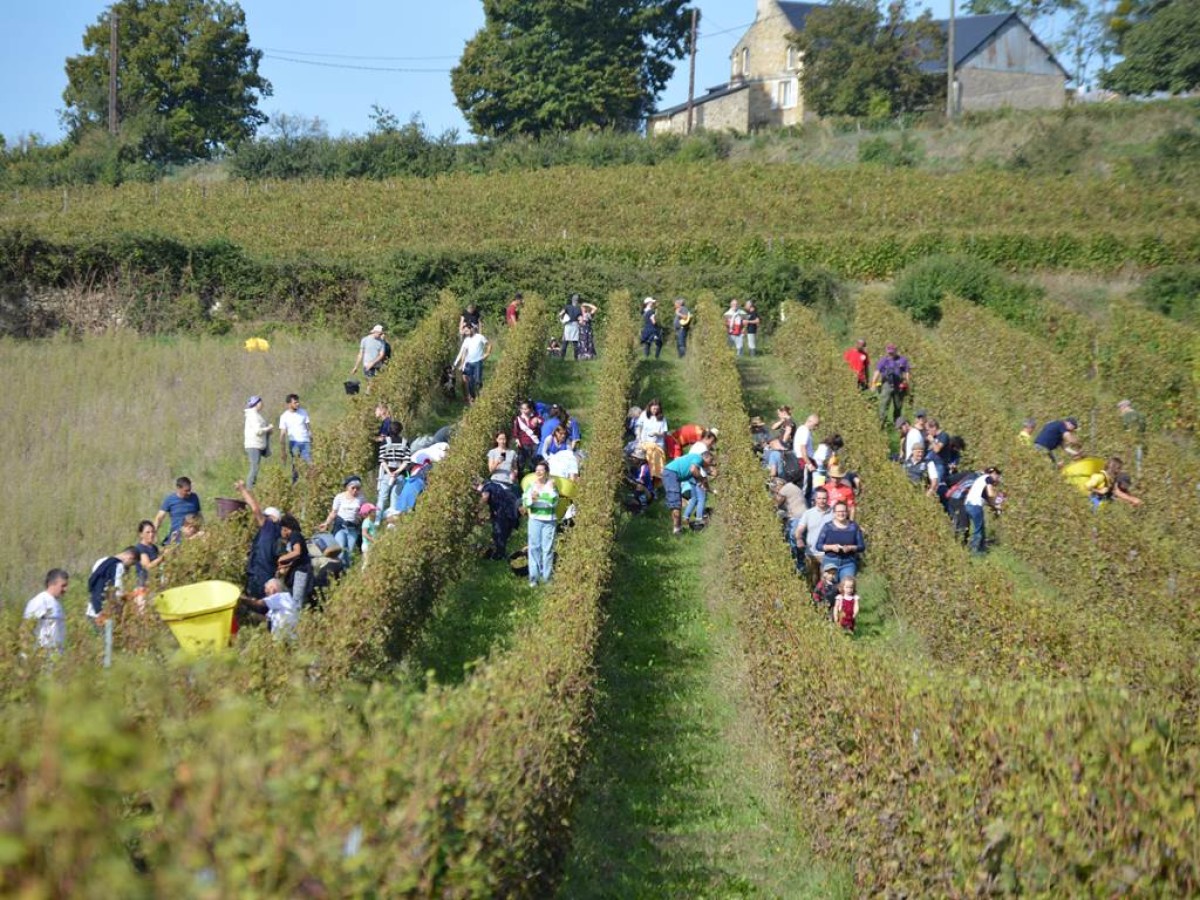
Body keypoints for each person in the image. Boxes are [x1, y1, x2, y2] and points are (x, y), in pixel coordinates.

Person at [234, 480, 283, 599]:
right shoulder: (278, 533)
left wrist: (242, 489)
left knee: (255, 603)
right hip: (267, 575)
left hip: (260, 575)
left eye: (266, 516)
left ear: (273, 518)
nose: (262, 518)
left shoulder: (269, 526)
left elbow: (255, 509)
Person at [522, 460, 559, 586]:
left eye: (541, 470)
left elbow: (553, 502)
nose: (538, 472)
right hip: (534, 520)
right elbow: (525, 502)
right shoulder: (531, 486)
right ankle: (534, 578)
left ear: (546, 473)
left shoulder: (552, 485)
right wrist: (532, 499)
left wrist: (543, 495)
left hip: (549, 521)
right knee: (534, 548)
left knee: (547, 549)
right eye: (537, 470)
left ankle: (547, 578)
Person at [661, 450, 714, 535]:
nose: (710, 464)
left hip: (670, 473)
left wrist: (708, 488)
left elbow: (699, 480)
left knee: (676, 502)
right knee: (675, 503)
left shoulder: (696, 461)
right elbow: (693, 469)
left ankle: (678, 527)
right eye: (710, 461)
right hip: (671, 473)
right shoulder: (698, 458)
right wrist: (701, 479)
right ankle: (677, 530)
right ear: (706, 457)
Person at [320, 476, 366, 566]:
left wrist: (361, 518)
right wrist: (326, 523)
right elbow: (334, 512)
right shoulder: (340, 497)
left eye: (358, 488)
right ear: (347, 487)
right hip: (340, 527)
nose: (355, 490)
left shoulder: (361, 498)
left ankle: (346, 570)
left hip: (353, 528)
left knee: (349, 552)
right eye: (353, 488)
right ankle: (338, 569)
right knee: (340, 549)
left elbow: (364, 511)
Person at [815, 501, 866, 581]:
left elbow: (862, 546)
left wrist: (851, 548)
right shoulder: (828, 527)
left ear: (847, 512)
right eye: (838, 511)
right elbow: (818, 546)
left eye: (843, 511)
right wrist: (831, 547)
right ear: (834, 513)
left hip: (848, 563)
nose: (841, 514)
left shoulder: (854, 527)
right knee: (830, 587)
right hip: (830, 562)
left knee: (847, 586)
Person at [87, 547, 137, 624]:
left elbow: (92, 582)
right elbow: (118, 592)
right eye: (132, 564)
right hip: (105, 612)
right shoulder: (118, 566)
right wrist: (132, 596)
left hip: (92, 608)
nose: (129, 568)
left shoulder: (101, 561)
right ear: (130, 557)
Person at [25, 568, 69, 654]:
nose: (65, 589)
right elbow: (26, 629)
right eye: (63, 586)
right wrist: (27, 655)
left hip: (56, 655)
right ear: (51, 584)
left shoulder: (58, 604)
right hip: (41, 655)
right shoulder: (40, 601)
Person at [796, 487, 834, 583]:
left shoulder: (833, 513)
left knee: (826, 581)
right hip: (811, 552)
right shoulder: (808, 513)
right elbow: (800, 529)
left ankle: (825, 592)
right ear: (815, 499)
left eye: (824, 498)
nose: (822, 501)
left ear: (828, 498)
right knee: (812, 580)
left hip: (827, 553)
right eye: (819, 498)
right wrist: (799, 539)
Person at [276, 513, 313, 608]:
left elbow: (297, 552)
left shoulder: (295, 535)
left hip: (302, 571)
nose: (280, 532)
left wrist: (281, 558)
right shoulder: (294, 536)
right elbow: (297, 558)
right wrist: (285, 565)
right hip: (300, 569)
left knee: (297, 600)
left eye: (281, 529)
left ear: (285, 528)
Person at [479, 476, 521, 560]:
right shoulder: (497, 485)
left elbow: (485, 498)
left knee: (499, 534)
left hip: (502, 513)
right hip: (511, 512)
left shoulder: (486, 487)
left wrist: (477, 509)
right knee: (504, 534)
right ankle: (501, 553)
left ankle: (499, 555)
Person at [376, 420, 410, 522]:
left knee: (382, 498)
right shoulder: (405, 442)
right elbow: (406, 461)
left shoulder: (385, 442)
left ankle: (377, 521)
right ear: (400, 430)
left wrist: (389, 472)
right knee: (395, 497)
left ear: (389, 430)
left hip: (387, 474)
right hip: (400, 475)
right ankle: (392, 521)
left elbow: (382, 460)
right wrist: (397, 472)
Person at [964, 467, 1002, 555]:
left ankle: (981, 549)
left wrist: (996, 507)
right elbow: (990, 494)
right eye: (998, 476)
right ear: (994, 474)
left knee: (980, 528)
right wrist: (1000, 497)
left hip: (969, 505)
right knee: (979, 530)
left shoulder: (981, 480)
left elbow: (988, 499)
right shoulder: (988, 478)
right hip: (975, 505)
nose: (998, 479)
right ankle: (975, 552)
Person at [871, 343, 911, 427]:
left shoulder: (902, 360)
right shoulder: (883, 361)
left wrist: (907, 385)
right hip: (887, 384)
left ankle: (897, 425)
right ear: (886, 351)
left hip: (898, 385)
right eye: (889, 352)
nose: (891, 354)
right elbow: (877, 372)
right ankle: (881, 424)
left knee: (898, 406)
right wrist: (873, 384)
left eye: (892, 352)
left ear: (896, 351)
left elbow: (907, 373)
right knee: (884, 405)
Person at [153, 476, 201, 545]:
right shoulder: (170, 500)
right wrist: (154, 533)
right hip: (176, 537)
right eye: (186, 491)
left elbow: (199, 515)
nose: (189, 493)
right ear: (179, 488)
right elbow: (159, 517)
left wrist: (202, 528)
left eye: (190, 490)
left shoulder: (194, 497)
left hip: (192, 536)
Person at [454, 324, 492, 404]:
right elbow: (463, 352)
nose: (466, 333)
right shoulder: (466, 340)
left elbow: (489, 344)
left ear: (471, 329)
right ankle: (473, 398)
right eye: (465, 332)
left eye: (467, 331)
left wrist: (487, 353)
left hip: (478, 361)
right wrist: (459, 364)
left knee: (478, 380)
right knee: (470, 382)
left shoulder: (479, 337)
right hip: (469, 363)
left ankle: (481, 394)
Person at [773, 477, 807, 564]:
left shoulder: (785, 489)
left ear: (779, 484)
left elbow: (776, 503)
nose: (776, 488)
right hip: (803, 515)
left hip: (797, 517)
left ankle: (797, 563)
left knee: (794, 540)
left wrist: (775, 493)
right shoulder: (792, 486)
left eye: (776, 486)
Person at [243, 395, 273, 488]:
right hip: (253, 445)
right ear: (256, 404)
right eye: (260, 402)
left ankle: (252, 488)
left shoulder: (256, 415)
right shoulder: (253, 415)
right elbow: (258, 431)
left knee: (256, 467)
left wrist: (268, 431)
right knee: (254, 467)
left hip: (258, 444)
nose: (262, 404)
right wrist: (268, 428)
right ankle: (249, 489)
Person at [279, 393, 313, 468]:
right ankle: (295, 476)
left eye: (298, 402)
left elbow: (308, 428)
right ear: (289, 404)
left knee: (310, 464)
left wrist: (311, 439)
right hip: (294, 443)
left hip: (305, 442)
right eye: (295, 402)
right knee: (296, 464)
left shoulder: (303, 412)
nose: (298, 404)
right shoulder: (284, 416)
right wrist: (283, 451)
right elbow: (282, 434)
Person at [513, 400, 543, 475]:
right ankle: (520, 479)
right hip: (523, 443)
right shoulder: (518, 419)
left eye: (525, 409)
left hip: (534, 443)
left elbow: (542, 422)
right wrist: (517, 440)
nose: (524, 410)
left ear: (530, 409)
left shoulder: (536, 416)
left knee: (534, 462)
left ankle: (533, 476)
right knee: (521, 463)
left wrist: (538, 421)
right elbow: (516, 431)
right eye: (522, 409)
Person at [134, 519, 165, 588]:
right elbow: (148, 566)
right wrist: (162, 557)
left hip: (156, 583)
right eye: (147, 532)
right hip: (145, 585)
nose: (151, 534)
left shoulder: (154, 547)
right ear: (141, 534)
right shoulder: (140, 548)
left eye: (152, 532)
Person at [560, 294, 585, 359]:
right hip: (572, 325)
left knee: (567, 343)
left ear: (572, 300)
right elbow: (580, 318)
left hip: (570, 326)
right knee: (572, 344)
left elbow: (561, 314)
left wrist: (562, 318)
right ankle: (574, 359)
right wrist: (581, 322)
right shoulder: (577, 308)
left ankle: (563, 358)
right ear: (577, 301)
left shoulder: (568, 307)